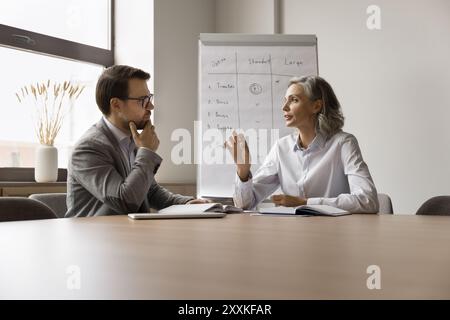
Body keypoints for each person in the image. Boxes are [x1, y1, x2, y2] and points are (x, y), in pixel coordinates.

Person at [66, 65, 208, 217]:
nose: (151, 106)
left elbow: (150, 191)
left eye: (149, 98)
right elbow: (125, 201)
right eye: (142, 100)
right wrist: (146, 152)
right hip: (92, 238)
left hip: (126, 236)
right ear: (116, 105)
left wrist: (187, 203)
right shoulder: (88, 149)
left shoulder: (132, 139)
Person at [226, 75, 379, 213]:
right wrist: (243, 171)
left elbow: (368, 201)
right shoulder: (281, 147)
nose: (284, 107)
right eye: (285, 100)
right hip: (293, 236)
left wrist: (306, 203)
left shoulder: (343, 143)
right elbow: (244, 205)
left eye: (294, 100)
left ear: (316, 106)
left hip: (334, 235)